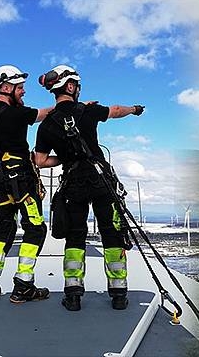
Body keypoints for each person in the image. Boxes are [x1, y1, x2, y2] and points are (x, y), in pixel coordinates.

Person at [33, 65, 144, 312]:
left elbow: (40, 162)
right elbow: (115, 111)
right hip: (101, 181)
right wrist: (134, 110)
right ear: (71, 86)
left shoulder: (47, 124)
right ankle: (118, 295)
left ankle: (73, 295)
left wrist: (66, 158)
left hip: (73, 184)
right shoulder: (89, 111)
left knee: (75, 237)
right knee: (111, 235)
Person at [0, 65, 54, 303]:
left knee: (3, 229)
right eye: (20, 87)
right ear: (6, 87)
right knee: (35, 228)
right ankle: (23, 286)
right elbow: (43, 114)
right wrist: (72, 106)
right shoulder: (16, 114)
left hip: (0, 179)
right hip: (22, 181)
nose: (23, 92)